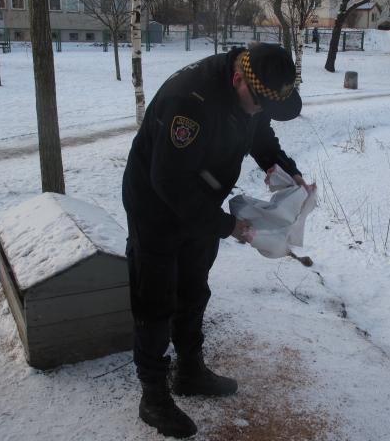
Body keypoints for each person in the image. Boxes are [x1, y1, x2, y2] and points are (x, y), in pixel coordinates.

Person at [122, 42, 307, 439]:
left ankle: (189, 370)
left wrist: (287, 171)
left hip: (200, 202)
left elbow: (260, 133)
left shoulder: (250, 94)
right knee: (155, 299)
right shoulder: (189, 101)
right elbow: (168, 181)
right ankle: (153, 395)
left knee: (193, 288)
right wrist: (228, 226)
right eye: (259, 104)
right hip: (156, 206)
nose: (260, 112)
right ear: (239, 79)